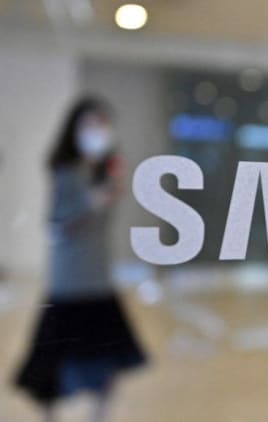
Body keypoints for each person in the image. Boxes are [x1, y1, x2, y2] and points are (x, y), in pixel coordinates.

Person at [14, 97, 146, 422]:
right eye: (90, 123)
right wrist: (93, 200)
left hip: (98, 277)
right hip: (69, 281)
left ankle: (98, 415)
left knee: (109, 355)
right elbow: (56, 222)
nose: (97, 130)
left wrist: (107, 193)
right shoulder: (66, 171)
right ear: (74, 128)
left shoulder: (106, 171)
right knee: (51, 357)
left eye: (102, 123)